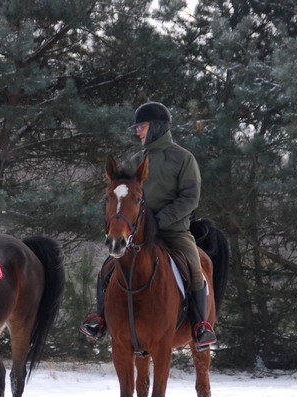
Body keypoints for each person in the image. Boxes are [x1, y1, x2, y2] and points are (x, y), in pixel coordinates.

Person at [79, 101, 216, 349]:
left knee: (196, 268)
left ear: (155, 127)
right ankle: (100, 319)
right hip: (137, 233)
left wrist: (160, 220)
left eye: (140, 127)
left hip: (173, 232)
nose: (137, 132)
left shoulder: (183, 158)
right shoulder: (136, 159)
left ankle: (199, 326)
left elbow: (190, 198)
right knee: (107, 266)